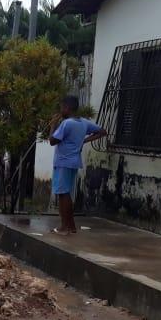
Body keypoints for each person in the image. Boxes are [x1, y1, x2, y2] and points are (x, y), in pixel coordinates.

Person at [48, 95, 106, 235]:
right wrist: (84, 141)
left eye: (62, 107)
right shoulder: (83, 122)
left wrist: (53, 126)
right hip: (74, 161)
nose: (60, 110)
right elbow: (102, 132)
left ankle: (64, 227)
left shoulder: (66, 124)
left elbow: (52, 141)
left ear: (67, 108)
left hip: (63, 161)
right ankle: (71, 226)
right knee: (65, 193)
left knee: (63, 194)